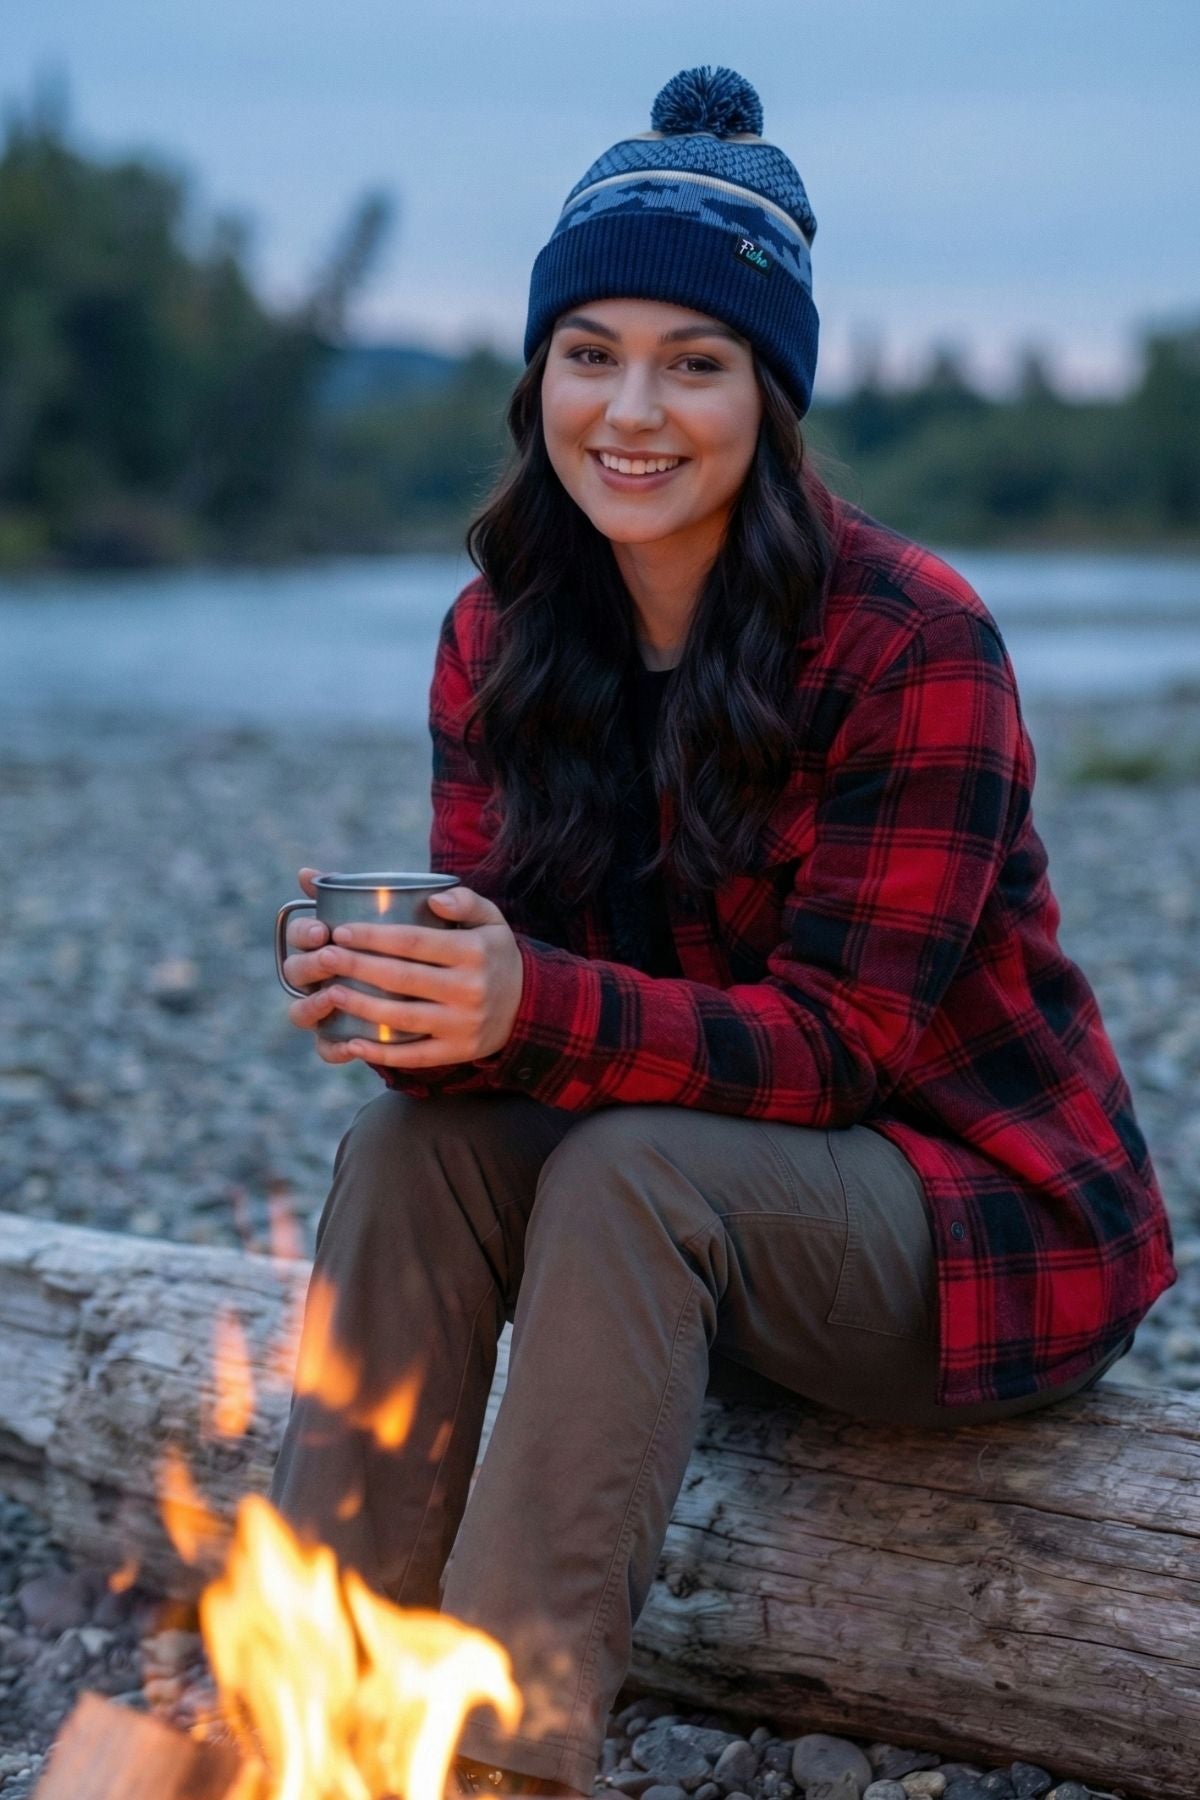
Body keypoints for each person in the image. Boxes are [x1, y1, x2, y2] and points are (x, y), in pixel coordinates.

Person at [271, 66, 1175, 1800]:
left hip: (977, 1225)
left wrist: (524, 1002)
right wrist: (409, 995)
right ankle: (321, 1711)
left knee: (630, 1171)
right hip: (698, 1205)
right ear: (537, 373)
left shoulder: (916, 640)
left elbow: (841, 1050)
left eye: (695, 362)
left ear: (771, 396)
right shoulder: (502, 634)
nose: (633, 409)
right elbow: (526, 1015)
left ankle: (499, 1767)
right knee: (409, 1145)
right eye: (590, 351)